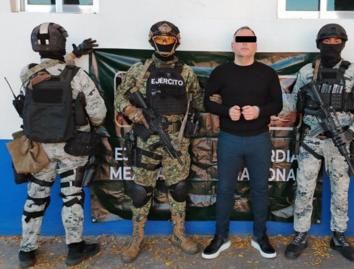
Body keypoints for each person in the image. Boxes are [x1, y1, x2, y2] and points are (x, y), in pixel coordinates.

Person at [17, 22, 106, 268]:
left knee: (35, 198)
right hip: (72, 147)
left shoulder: (28, 73)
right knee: (72, 196)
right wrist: (75, 57)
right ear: (62, 43)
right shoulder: (78, 76)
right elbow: (98, 114)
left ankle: (26, 252)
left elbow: (49, 70)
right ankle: (75, 249)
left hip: (39, 149)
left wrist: (73, 55)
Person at [284, 23, 354, 262]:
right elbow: (292, 103)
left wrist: (352, 133)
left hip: (340, 142)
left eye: (337, 42)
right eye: (328, 42)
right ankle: (300, 235)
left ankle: (339, 236)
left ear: (343, 44)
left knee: (341, 192)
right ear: (319, 44)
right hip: (311, 141)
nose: (332, 46)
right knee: (304, 189)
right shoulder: (306, 72)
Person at [115, 21, 204, 263]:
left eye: (169, 40)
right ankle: (136, 239)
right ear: (152, 40)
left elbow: (197, 103)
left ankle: (178, 235)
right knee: (141, 192)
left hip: (176, 142)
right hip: (145, 140)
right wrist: (132, 112)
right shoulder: (139, 70)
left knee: (179, 189)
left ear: (177, 41)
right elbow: (119, 97)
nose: (164, 44)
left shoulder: (186, 72)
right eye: (160, 40)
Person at [201, 26, 283, 259]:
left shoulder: (267, 73)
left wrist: (258, 110)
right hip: (230, 139)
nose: (245, 44)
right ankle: (220, 237)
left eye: (249, 40)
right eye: (240, 40)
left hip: (259, 139)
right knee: (225, 189)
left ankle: (260, 236)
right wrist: (226, 111)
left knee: (260, 189)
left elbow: (277, 104)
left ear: (255, 45)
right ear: (233, 45)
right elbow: (207, 102)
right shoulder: (221, 72)